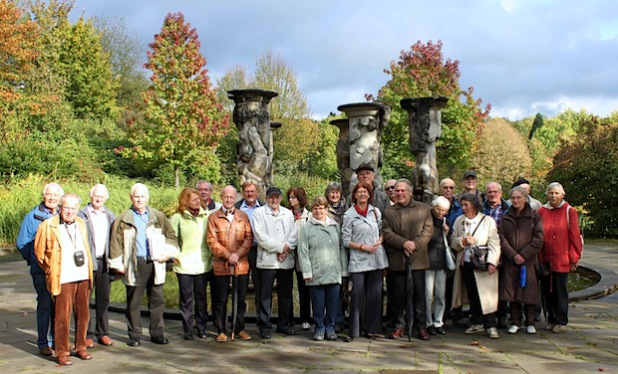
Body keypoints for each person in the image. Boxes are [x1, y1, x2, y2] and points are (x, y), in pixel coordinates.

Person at [109, 183, 178, 347]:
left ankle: (157, 333)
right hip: (134, 262)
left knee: (157, 300)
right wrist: (118, 263)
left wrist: (167, 252)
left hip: (155, 262)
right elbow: (115, 242)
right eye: (136, 197)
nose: (139, 200)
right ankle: (134, 335)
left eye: (142, 197)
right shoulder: (124, 218)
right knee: (133, 301)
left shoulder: (158, 216)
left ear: (147, 198)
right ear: (131, 198)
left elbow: (171, 236)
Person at [34, 194, 94, 366]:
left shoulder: (81, 224)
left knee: (83, 315)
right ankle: (62, 351)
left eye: (73, 208)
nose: (70, 211)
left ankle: (81, 347)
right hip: (63, 277)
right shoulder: (48, 225)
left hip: (82, 275)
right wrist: (51, 269)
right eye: (66, 207)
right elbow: (39, 253)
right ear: (60, 207)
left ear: (78, 209)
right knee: (62, 317)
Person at [16, 182, 64, 356]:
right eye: (49, 194)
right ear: (44, 196)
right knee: (45, 304)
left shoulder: (63, 215)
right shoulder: (32, 217)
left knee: (59, 306)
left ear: (60, 198)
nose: (52, 198)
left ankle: (57, 340)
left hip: (61, 269)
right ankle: (43, 342)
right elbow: (22, 243)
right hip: (41, 270)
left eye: (55, 195)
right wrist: (36, 261)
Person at [383, 178, 433, 341]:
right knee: (398, 296)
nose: (399, 193)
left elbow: (427, 231)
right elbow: (387, 232)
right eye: (397, 190)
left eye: (403, 190)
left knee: (419, 295)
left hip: (417, 259)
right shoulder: (388, 211)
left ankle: (421, 326)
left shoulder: (424, 209)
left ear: (410, 192)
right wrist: (403, 243)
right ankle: (399, 326)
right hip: (397, 260)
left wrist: (414, 244)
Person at [342, 183, 388, 342]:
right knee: (357, 294)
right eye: (359, 192)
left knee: (375, 295)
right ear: (354, 195)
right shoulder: (349, 215)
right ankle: (354, 330)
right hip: (359, 258)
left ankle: (372, 329)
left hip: (376, 257)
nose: (362, 194)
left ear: (369, 195)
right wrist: (362, 247)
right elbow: (346, 240)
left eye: (365, 192)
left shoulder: (376, 212)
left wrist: (380, 240)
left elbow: (382, 231)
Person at [298, 196, 348, 341]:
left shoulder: (335, 226)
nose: (318, 211)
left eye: (321, 208)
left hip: (333, 271)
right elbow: (303, 251)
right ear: (312, 210)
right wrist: (307, 272)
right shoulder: (307, 228)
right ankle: (319, 328)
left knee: (333, 304)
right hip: (316, 271)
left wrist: (343, 270)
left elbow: (341, 249)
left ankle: (330, 327)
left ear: (327, 209)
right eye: (315, 208)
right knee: (318, 304)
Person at [451, 193, 501, 339]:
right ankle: (477, 322)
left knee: (487, 296)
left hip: (483, 263)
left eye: (466, 205)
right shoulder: (459, 221)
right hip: (466, 263)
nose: (464, 208)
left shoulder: (487, 221)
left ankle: (491, 325)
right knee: (473, 294)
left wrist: (492, 262)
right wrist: (463, 241)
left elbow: (494, 242)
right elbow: (453, 242)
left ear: (474, 205)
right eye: (462, 205)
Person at [207, 186, 253, 342]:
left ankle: (239, 328)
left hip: (241, 265)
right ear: (221, 197)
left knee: (240, 299)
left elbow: (248, 238)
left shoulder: (243, 216)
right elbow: (211, 242)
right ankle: (221, 330)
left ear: (235, 198)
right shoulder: (213, 218)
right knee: (221, 299)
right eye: (225, 197)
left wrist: (237, 255)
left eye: (231, 197)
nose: (228, 200)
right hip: (222, 266)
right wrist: (228, 256)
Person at [252, 186, 298, 339]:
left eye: (277, 197)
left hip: (286, 261)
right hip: (267, 261)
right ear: (266, 198)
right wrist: (280, 249)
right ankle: (265, 326)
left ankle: (283, 324)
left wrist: (286, 249)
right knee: (265, 296)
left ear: (280, 198)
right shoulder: (258, 213)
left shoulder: (288, 213)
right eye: (271, 197)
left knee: (285, 294)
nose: (274, 200)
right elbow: (260, 237)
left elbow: (294, 234)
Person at [537, 182, 583, 333]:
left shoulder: (570, 211)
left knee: (559, 290)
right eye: (551, 193)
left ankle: (561, 321)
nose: (553, 196)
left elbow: (575, 236)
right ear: (547, 195)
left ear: (562, 194)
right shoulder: (541, 211)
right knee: (546, 291)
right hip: (545, 258)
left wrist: (574, 258)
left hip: (562, 258)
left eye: (556, 193)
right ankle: (550, 318)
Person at [499, 186, 544, 335]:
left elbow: (538, 238)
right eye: (513, 198)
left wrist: (523, 255)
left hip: (528, 261)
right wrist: (513, 255)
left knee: (529, 292)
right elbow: (501, 238)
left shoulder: (534, 216)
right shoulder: (506, 217)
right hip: (511, 261)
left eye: (519, 197)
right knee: (512, 292)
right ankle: (515, 322)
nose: (516, 200)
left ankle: (530, 322)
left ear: (525, 198)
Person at [170, 188, 212, 340]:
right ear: (185, 201)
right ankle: (188, 329)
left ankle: (202, 328)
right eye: (193, 199)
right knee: (186, 299)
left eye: (198, 199)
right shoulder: (177, 218)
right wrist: (175, 255)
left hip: (202, 263)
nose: (197, 201)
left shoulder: (207, 216)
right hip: (184, 265)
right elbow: (172, 239)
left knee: (201, 298)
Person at [77, 184, 116, 347]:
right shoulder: (82, 215)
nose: (98, 198)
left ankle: (103, 332)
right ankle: (87, 334)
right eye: (95, 196)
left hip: (104, 262)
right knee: (85, 300)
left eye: (101, 196)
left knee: (103, 299)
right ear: (90, 197)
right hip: (87, 263)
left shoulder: (110, 215)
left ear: (105, 198)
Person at [482, 181, 510, 328]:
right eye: (489, 192)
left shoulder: (508, 208)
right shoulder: (481, 208)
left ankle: (502, 316)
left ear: (500, 193)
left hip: (505, 250)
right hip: (486, 250)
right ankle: (487, 317)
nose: (492, 194)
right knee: (487, 285)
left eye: (495, 192)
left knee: (503, 285)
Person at [234, 179, 264, 313]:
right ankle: (239, 323)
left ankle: (262, 322)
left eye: (252, 191)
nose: (250, 194)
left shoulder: (264, 208)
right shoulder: (236, 208)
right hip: (241, 252)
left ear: (257, 192)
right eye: (247, 191)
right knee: (240, 287)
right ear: (242, 193)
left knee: (260, 288)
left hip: (259, 250)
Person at [424, 196, 451, 336]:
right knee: (428, 296)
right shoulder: (426, 220)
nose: (440, 212)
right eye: (438, 209)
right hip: (428, 261)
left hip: (441, 262)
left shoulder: (445, 222)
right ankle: (428, 322)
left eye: (443, 210)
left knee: (440, 294)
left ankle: (438, 321)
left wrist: (447, 231)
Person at [287, 187, 312, 331]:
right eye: (290, 197)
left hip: (302, 256)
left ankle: (305, 318)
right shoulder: (285, 214)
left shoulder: (308, 216)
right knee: (287, 288)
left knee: (304, 289)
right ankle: (288, 318)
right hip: (288, 254)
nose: (291, 200)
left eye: (294, 197)